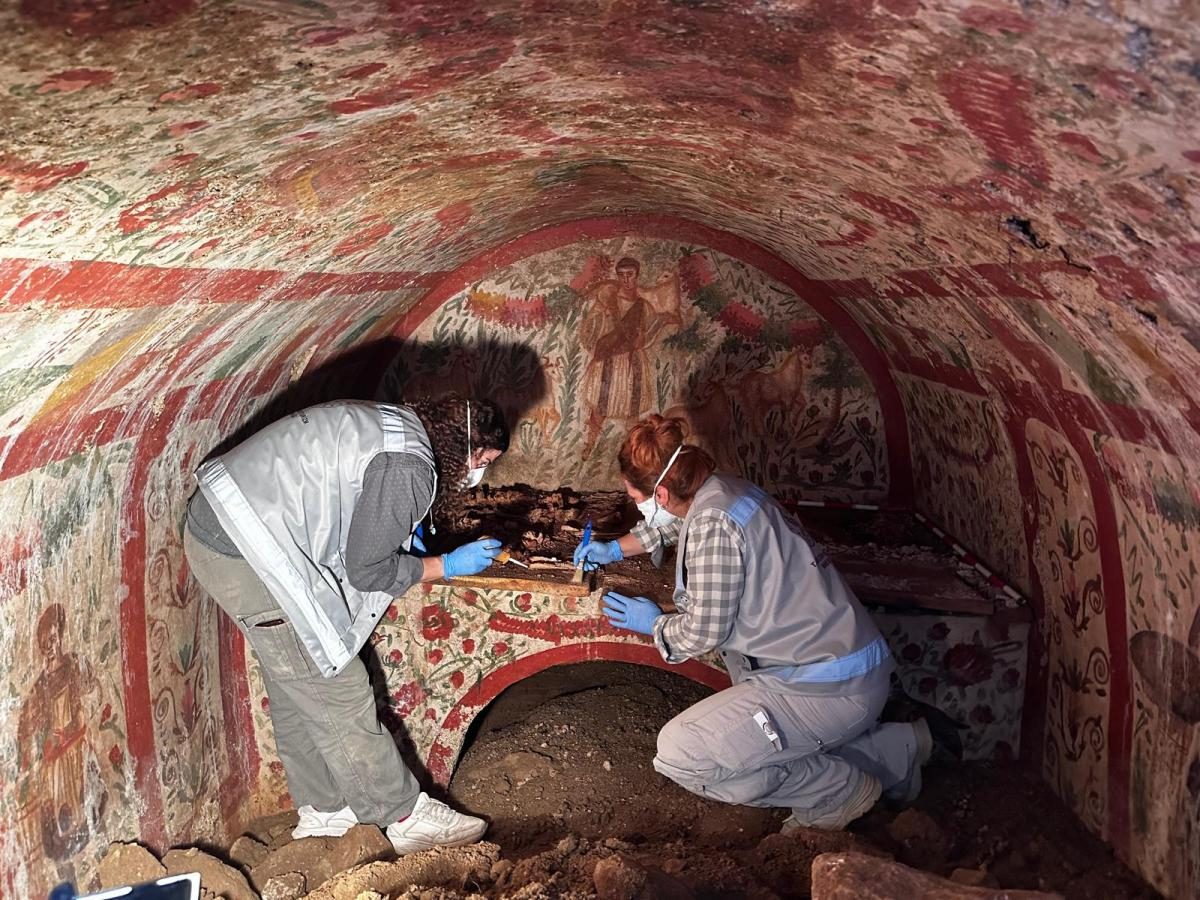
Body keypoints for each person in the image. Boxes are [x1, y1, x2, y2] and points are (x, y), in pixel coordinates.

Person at [573, 414, 932, 830]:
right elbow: (675, 525)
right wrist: (616, 549)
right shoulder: (723, 490)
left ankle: (836, 790)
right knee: (757, 740)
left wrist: (655, 624)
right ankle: (896, 751)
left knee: (682, 754)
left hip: (823, 687)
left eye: (634, 495)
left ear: (662, 492)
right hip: (847, 670)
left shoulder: (713, 523)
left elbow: (703, 632)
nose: (635, 503)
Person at [183, 397, 507, 854]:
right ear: (465, 447)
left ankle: (325, 810)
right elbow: (367, 571)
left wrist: (401, 534)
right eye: (483, 462)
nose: (478, 475)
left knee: (296, 682)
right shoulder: (410, 467)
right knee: (336, 682)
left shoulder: (403, 426)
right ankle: (403, 815)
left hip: (222, 523)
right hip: (243, 549)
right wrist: (445, 565)